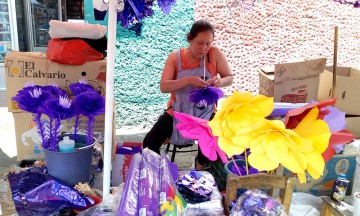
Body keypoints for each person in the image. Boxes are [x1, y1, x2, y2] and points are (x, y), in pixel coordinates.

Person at [143, 19, 233, 170]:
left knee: (212, 142)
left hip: (206, 111)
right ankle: (157, 173)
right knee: (149, 143)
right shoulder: (175, 58)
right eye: (200, 43)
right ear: (189, 38)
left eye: (208, 43)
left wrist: (220, 81)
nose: (204, 48)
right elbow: (164, 86)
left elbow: (229, 77)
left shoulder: (214, 54)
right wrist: (189, 81)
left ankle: (200, 167)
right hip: (178, 111)